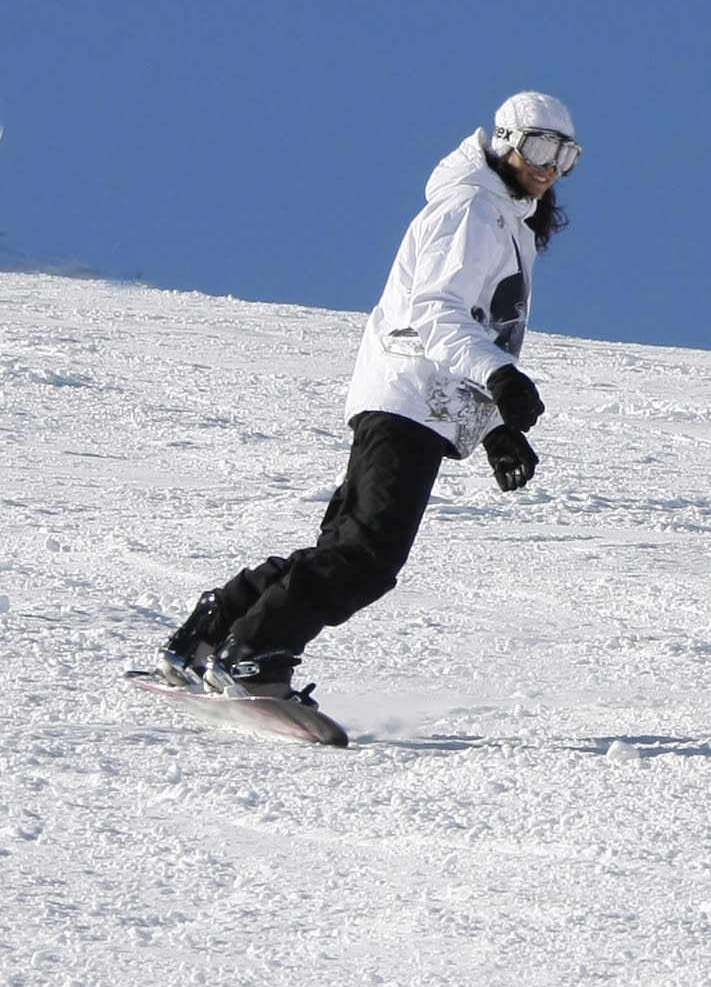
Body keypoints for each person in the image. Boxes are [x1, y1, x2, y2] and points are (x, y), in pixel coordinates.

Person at [159, 93, 579, 697]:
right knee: (368, 558)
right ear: (506, 141)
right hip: (407, 401)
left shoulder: (504, 219)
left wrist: (493, 431)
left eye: (566, 155)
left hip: (420, 404)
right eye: (539, 146)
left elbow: (465, 328)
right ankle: (252, 655)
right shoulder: (470, 210)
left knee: (345, 547)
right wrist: (499, 376)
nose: (550, 166)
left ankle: (209, 633)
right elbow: (435, 315)